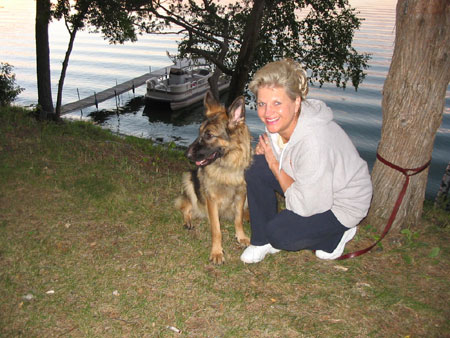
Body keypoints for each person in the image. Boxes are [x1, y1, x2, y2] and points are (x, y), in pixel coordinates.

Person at [240, 59, 373, 264]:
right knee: (256, 166)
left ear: (296, 102)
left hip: (341, 202)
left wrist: (275, 165)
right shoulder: (278, 123)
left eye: (277, 103)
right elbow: (290, 158)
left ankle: (336, 236)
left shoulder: (314, 140)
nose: (267, 113)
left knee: (279, 234)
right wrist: (268, 159)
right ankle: (260, 241)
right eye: (261, 104)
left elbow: (305, 208)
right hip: (312, 185)